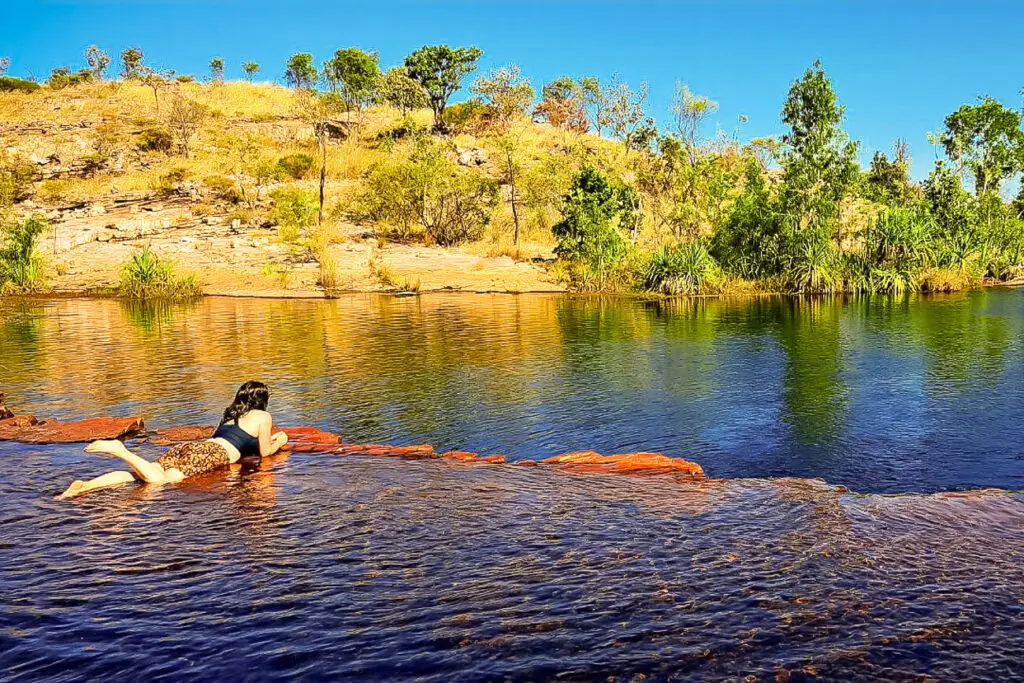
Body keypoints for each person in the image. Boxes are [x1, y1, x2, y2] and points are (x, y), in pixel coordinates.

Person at [60, 381, 288, 498]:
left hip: (194, 448)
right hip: (213, 454)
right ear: (262, 400)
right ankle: (121, 450)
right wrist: (281, 439)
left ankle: (83, 488)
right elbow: (266, 451)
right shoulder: (262, 415)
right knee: (158, 481)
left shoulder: (230, 414)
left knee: (143, 473)